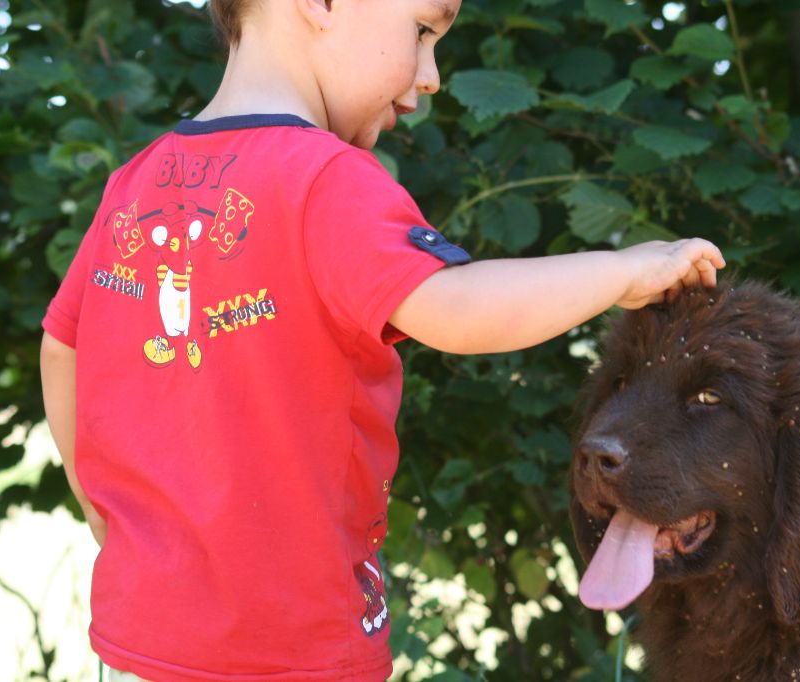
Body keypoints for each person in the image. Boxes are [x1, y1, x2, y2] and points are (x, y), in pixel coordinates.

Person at [38, 0, 726, 679]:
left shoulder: (135, 182)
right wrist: (624, 270)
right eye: (423, 29)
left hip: (146, 633)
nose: (430, 75)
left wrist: (110, 523)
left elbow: (62, 349)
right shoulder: (324, 179)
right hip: (290, 648)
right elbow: (455, 307)